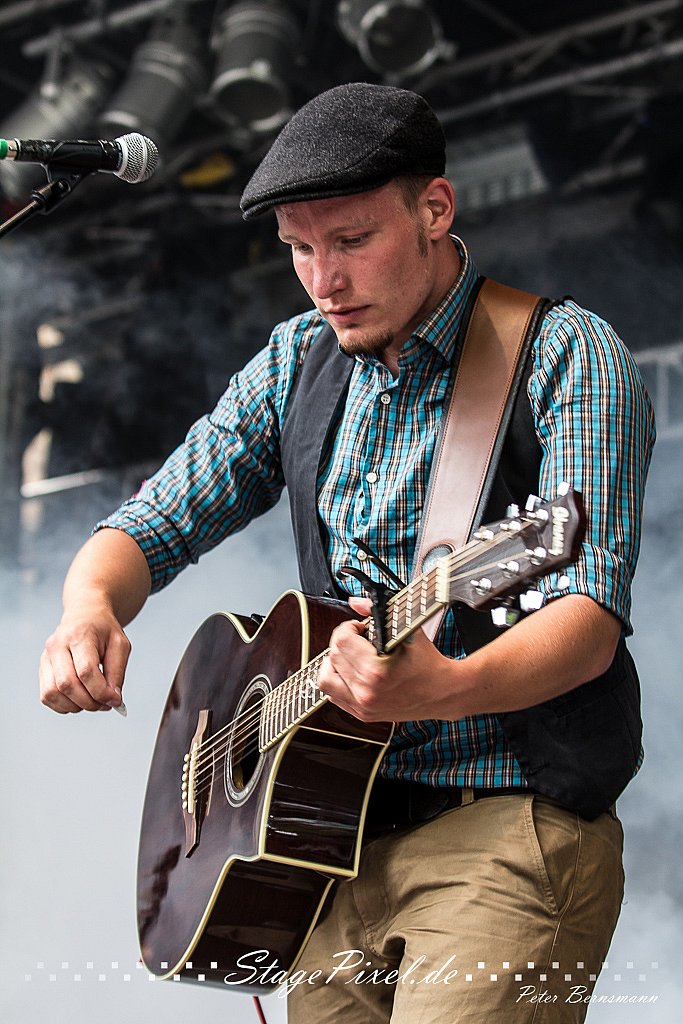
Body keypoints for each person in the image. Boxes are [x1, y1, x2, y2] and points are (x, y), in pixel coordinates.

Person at [39, 83, 655, 1022]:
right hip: (325, 849)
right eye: (298, 249)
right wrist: (90, 607)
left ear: (434, 209)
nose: (323, 278)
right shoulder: (295, 362)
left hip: (502, 828)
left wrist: (441, 689)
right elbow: (149, 524)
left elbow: (585, 621)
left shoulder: (566, 355)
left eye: (352, 241)